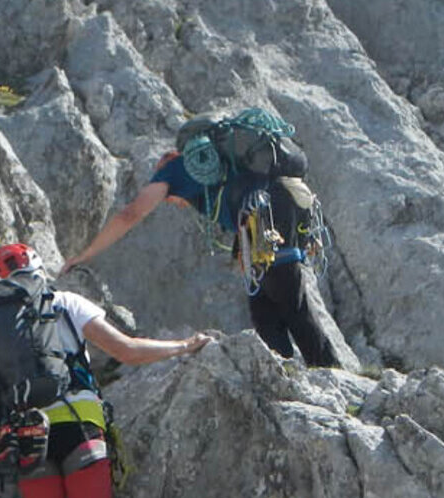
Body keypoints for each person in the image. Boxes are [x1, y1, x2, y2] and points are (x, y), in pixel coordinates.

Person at [0, 242, 214, 498]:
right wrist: (183, 346)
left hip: (26, 435)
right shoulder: (66, 303)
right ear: (38, 269)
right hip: (81, 426)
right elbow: (127, 350)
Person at [62, 140, 339, 368]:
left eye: (168, 197)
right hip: (265, 215)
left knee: (291, 300)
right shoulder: (218, 175)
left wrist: (84, 255)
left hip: (267, 215)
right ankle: (283, 368)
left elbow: (130, 214)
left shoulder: (171, 172)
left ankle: (330, 371)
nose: (175, 203)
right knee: (263, 306)